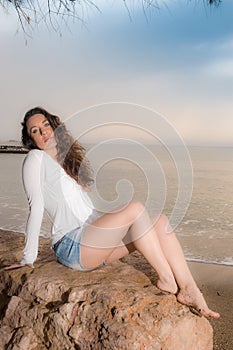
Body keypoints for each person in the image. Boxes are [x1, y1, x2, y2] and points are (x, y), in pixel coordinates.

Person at [5, 107, 219, 319]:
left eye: (45, 125)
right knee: (134, 208)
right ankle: (166, 278)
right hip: (71, 245)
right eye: (35, 131)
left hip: (93, 242)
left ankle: (190, 289)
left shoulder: (65, 162)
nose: (43, 132)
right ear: (31, 139)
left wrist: (115, 226)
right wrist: (28, 257)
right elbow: (36, 206)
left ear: (54, 126)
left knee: (160, 221)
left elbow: (84, 211)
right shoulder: (35, 158)